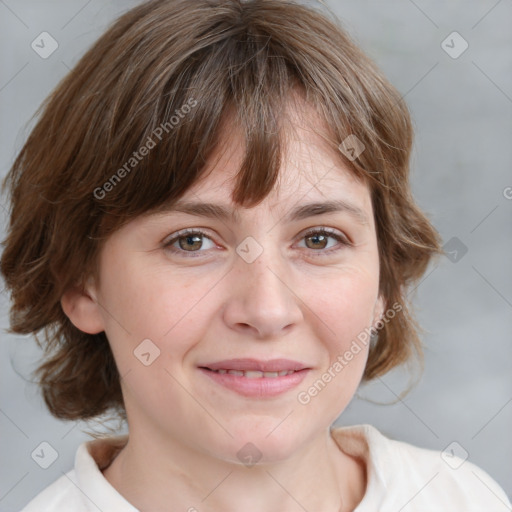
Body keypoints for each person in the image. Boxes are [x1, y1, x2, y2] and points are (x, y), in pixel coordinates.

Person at [1, 0, 510, 510]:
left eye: (319, 239)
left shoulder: (463, 497)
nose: (267, 311)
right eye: (192, 241)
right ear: (79, 281)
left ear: (385, 282)